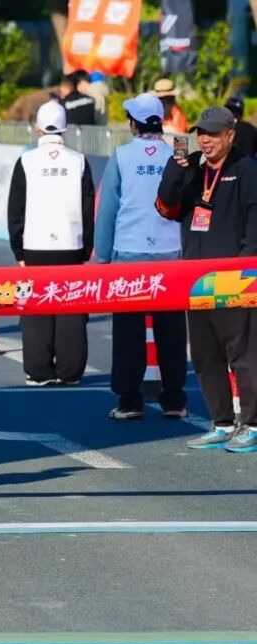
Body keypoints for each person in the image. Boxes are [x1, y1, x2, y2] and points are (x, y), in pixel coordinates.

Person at [156, 105, 257, 453]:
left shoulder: (246, 170)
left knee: (243, 355)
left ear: (230, 135)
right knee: (205, 354)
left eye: (213, 134)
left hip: (235, 278)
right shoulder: (193, 168)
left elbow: (254, 226)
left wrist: (246, 273)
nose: (205, 140)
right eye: (201, 133)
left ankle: (252, 423)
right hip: (196, 277)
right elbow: (166, 208)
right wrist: (175, 168)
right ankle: (222, 422)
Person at [94, 93, 187, 420]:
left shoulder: (121, 156)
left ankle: (130, 400)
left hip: (129, 254)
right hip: (170, 253)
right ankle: (174, 399)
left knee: (128, 333)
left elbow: (107, 211)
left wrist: (102, 257)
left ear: (133, 123)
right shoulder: (178, 154)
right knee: (172, 331)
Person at [6, 101, 95, 386]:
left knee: (35, 309)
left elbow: (15, 210)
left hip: (35, 244)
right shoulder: (78, 160)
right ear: (65, 129)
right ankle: (70, 370)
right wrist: (87, 247)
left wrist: (18, 248)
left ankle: (39, 370)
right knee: (71, 308)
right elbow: (87, 208)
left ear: (38, 128)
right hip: (71, 244)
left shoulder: (26, 161)